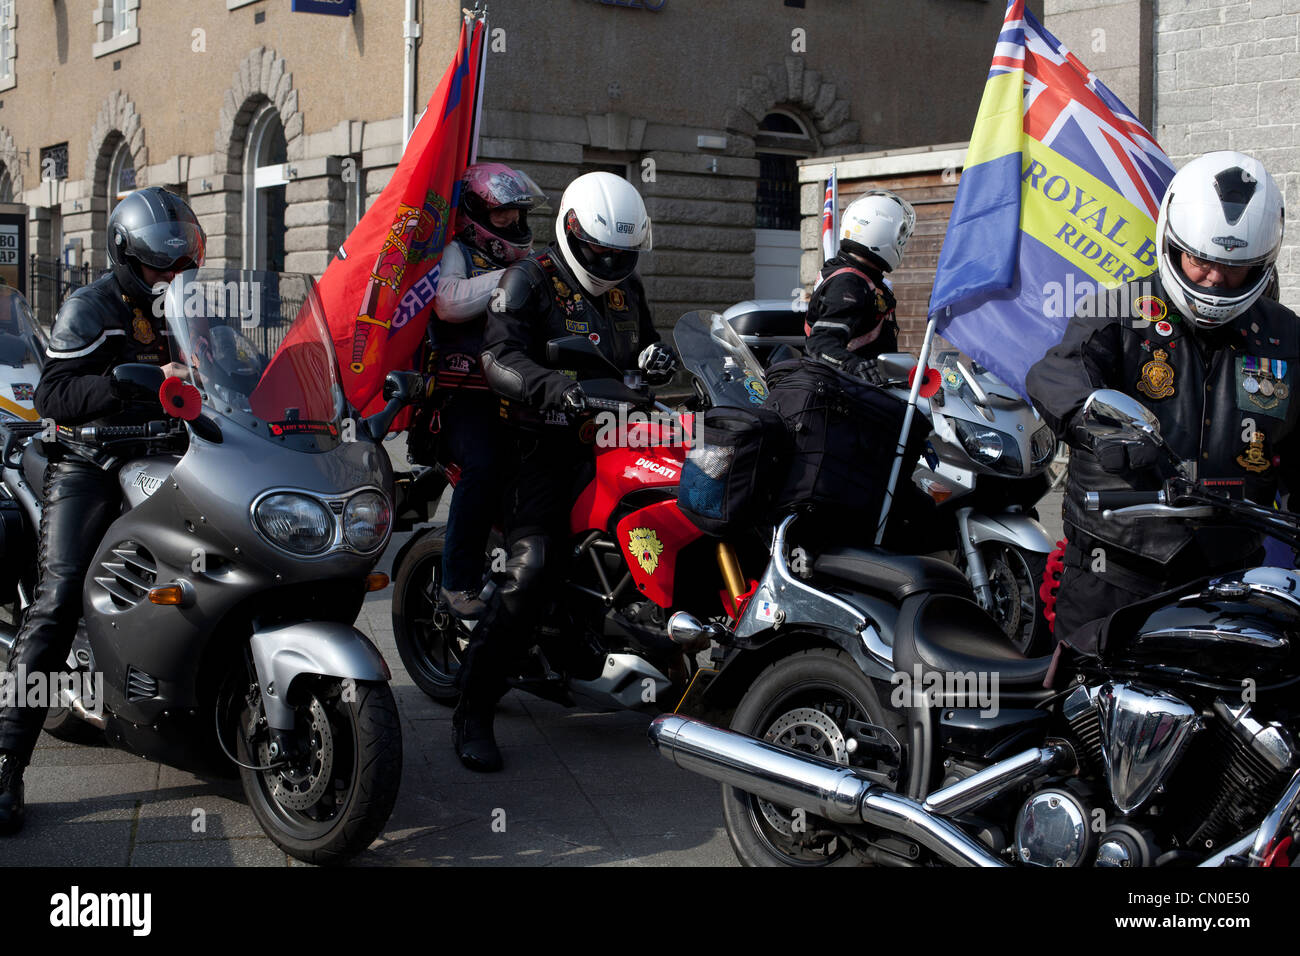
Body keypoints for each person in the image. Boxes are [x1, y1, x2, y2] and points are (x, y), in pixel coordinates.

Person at [1026, 150, 1300, 644]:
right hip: (1116, 569)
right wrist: (1096, 423)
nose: (1216, 279)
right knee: (1084, 707)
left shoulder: (1284, 336)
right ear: (1173, 245)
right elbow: (1056, 373)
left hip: (1227, 575)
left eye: (1234, 268)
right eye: (1202, 260)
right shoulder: (1119, 308)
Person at [453, 171, 676, 772]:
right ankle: (473, 708)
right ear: (573, 232)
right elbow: (498, 356)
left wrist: (659, 362)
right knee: (532, 569)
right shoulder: (530, 280)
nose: (610, 263)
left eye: (622, 254)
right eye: (601, 252)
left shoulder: (629, 289)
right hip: (541, 447)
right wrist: (552, 388)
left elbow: (646, 348)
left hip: (620, 436)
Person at [0, 187, 204, 835]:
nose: (172, 278)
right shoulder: (91, 307)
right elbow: (54, 395)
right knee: (56, 601)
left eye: (182, 266)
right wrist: (119, 382)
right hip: (88, 460)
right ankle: (7, 759)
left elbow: (231, 369)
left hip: (167, 456)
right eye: (159, 267)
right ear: (125, 257)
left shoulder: (192, 308)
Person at [412, 163, 544, 619]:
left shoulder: (524, 262)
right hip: (464, 397)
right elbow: (447, 303)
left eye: (518, 215)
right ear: (475, 212)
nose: (515, 224)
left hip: (521, 393)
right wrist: (514, 278)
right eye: (504, 215)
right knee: (483, 466)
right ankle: (457, 582)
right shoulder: (458, 252)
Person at [805, 190, 915, 385]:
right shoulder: (849, 282)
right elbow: (821, 344)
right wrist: (856, 367)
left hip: (868, 394)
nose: (902, 243)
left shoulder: (865, 279)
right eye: (901, 236)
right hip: (848, 399)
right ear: (883, 232)